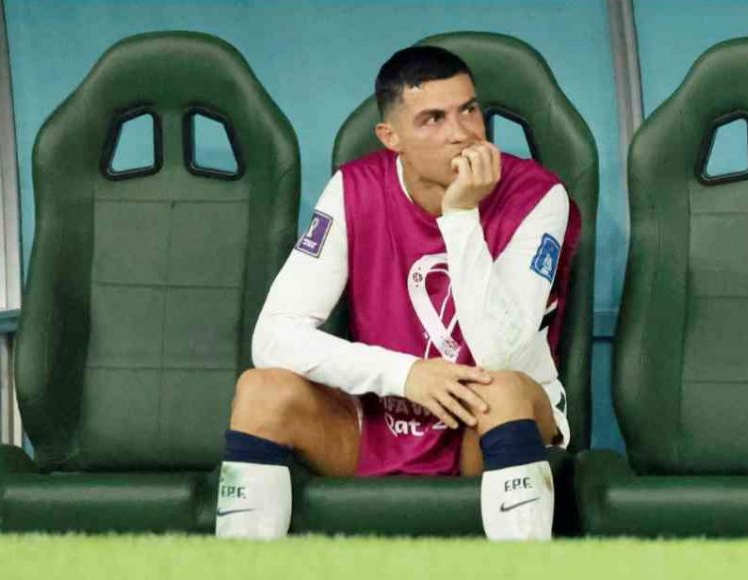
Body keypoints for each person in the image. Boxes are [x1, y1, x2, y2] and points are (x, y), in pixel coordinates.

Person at [215, 45, 580, 541]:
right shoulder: (354, 189)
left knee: (503, 389)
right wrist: (405, 375)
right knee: (261, 391)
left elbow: (501, 354)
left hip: (486, 426)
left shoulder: (538, 196)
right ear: (392, 138)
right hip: (379, 423)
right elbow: (273, 337)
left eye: (469, 110)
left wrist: (460, 215)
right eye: (433, 119)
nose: (462, 133)